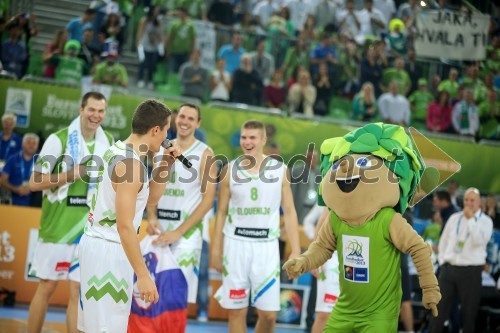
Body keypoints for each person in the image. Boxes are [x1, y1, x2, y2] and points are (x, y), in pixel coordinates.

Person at [78, 99, 180, 333]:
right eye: (166, 130)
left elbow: (149, 200)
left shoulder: (119, 150)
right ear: (156, 130)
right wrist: (143, 275)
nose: (167, 136)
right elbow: (125, 226)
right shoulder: (131, 165)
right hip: (109, 249)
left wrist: (166, 163)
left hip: (102, 245)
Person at [27, 92, 114, 333]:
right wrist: (70, 175)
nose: (96, 115)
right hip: (58, 227)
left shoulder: (107, 140)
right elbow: (33, 183)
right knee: (47, 287)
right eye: (92, 110)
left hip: (88, 229)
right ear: (81, 109)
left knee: (79, 291)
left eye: (101, 111)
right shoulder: (58, 139)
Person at [211, 120, 301, 333]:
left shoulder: (280, 171)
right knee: (236, 311)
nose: (247, 142)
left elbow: (289, 211)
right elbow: (221, 213)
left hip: (266, 247)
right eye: (244, 137)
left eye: (252, 137)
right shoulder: (229, 171)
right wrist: (216, 249)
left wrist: (296, 250)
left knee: (269, 315)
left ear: (263, 140)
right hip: (236, 246)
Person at [146, 103, 217, 315]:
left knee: (174, 299)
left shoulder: (205, 153)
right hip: (159, 231)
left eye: (191, 119)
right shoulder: (159, 148)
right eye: (182, 117)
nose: (185, 122)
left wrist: (178, 232)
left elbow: (207, 201)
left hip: (186, 236)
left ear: (198, 123)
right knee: (151, 296)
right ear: (175, 119)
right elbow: (151, 190)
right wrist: (151, 218)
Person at [429, 188, 493, 333]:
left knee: (468, 315)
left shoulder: (485, 221)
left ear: (479, 203)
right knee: (437, 312)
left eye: (472, 200)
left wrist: (471, 220)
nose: (468, 203)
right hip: (449, 269)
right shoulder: (454, 218)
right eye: (466, 200)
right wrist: (443, 260)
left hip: (471, 270)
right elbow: (444, 241)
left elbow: (479, 241)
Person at [0, 133, 39, 206]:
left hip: (33, 203)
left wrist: (30, 188)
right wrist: (16, 189)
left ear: (37, 146)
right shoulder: (12, 159)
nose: (31, 146)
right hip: (11, 201)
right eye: (28, 142)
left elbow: (44, 180)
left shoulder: (40, 161)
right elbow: (2, 180)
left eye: (34, 143)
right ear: (22, 144)